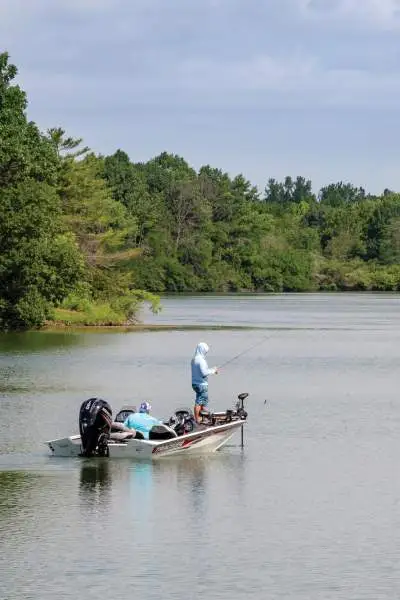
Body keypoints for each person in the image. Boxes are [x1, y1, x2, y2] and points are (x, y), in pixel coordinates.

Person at [191, 342, 219, 423]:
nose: (205, 353)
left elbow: (200, 371)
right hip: (201, 384)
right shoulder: (201, 360)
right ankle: (198, 420)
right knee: (199, 401)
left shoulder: (194, 359)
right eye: (205, 351)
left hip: (195, 383)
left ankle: (203, 416)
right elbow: (204, 373)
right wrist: (213, 370)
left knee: (202, 400)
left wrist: (211, 370)